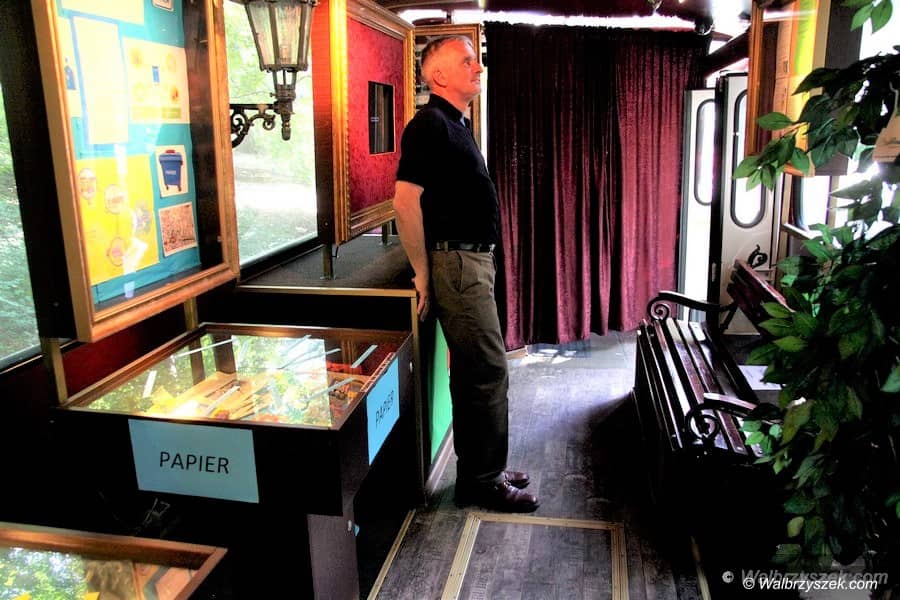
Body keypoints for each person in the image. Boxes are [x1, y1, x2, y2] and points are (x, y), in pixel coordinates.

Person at [393, 35, 539, 513]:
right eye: (467, 61)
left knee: (474, 373)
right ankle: (483, 481)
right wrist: (422, 272)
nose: (478, 68)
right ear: (438, 75)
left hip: (471, 262)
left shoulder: (456, 124)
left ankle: (480, 470)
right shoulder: (429, 125)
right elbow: (405, 202)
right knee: (488, 371)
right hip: (457, 263)